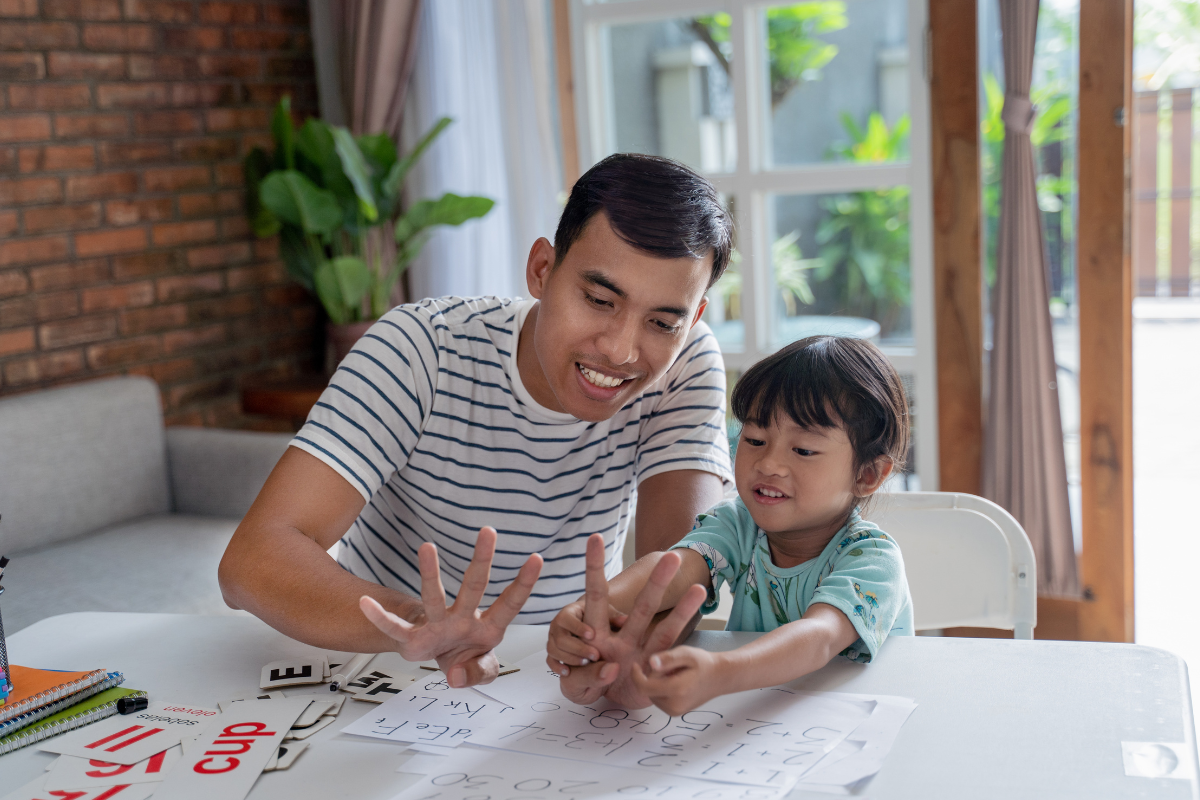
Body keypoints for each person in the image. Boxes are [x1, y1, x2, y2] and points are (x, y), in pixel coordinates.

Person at [218, 154, 735, 689]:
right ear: (541, 270)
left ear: (692, 319)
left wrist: (617, 639)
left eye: (662, 322)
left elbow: (680, 566)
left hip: (555, 682)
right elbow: (252, 561)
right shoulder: (421, 349)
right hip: (388, 668)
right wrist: (424, 624)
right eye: (600, 299)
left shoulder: (687, 363)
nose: (621, 351)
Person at [547, 335, 913, 713]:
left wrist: (720, 672)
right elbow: (674, 568)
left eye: (803, 450)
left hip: (853, 720)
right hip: (763, 718)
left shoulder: (872, 559)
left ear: (868, 474)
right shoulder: (740, 523)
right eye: (754, 439)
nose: (768, 464)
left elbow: (818, 638)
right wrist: (591, 613)